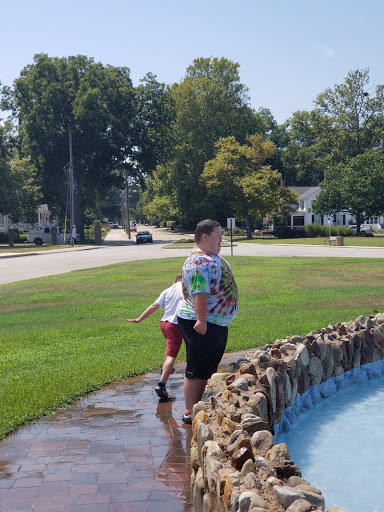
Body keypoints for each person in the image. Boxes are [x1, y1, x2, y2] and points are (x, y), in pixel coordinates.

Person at [177, 219, 239, 424]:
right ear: (205, 236)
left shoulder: (209, 258)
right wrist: (201, 321)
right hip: (201, 322)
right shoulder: (198, 262)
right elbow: (199, 294)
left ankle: (199, 409)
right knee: (197, 369)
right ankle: (190, 412)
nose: (222, 238)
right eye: (218, 234)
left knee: (206, 368)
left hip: (214, 322)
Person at [127, 273, 183, 400]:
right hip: (175, 326)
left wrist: (139, 319)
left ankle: (166, 369)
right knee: (171, 356)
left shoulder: (167, 290)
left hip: (164, 324)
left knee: (169, 348)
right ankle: (161, 384)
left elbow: (154, 306)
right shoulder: (184, 289)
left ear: (174, 281)